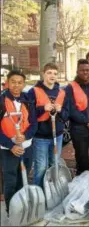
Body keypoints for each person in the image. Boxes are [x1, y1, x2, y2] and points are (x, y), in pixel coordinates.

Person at [0, 70, 37, 214]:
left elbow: (34, 124)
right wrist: (11, 146)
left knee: (23, 178)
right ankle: (11, 211)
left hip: (26, 147)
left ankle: (22, 207)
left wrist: (26, 136)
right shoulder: (2, 101)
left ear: (24, 84)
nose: (16, 85)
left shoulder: (28, 100)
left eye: (20, 82)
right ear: (7, 83)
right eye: (13, 82)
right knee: (10, 181)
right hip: (8, 149)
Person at [28, 63, 68, 187]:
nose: (52, 76)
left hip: (58, 135)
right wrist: (42, 109)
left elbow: (67, 115)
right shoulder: (33, 91)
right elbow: (28, 115)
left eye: (55, 73)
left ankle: (52, 190)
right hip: (41, 136)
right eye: (49, 73)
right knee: (40, 167)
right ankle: (40, 193)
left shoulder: (62, 92)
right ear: (43, 74)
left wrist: (61, 110)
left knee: (54, 164)